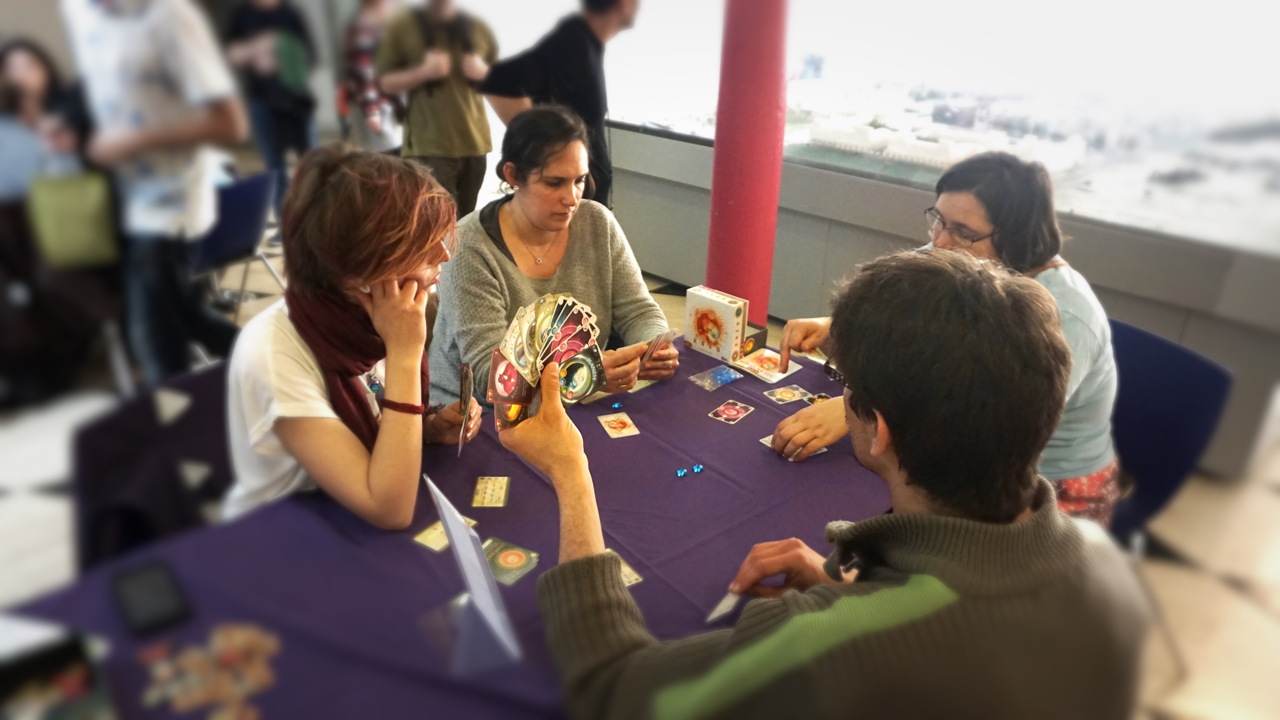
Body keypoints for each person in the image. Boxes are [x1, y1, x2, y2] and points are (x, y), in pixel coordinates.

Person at [501, 250, 1151, 719]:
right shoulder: (1108, 562)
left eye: (845, 387)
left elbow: (613, 689)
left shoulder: (829, 642)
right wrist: (853, 592)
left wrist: (571, 472)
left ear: (880, 429)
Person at [772, 152, 1121, 526]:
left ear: (1016, 235)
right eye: (938, 219)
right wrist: (835, 326)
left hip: (1039, 481)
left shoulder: (1067, 315)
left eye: (963, 232)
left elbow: (989, 423)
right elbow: (905, 319)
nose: (939, 241)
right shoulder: (955, 255)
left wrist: (856, 410)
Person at [223, 145, 482, 527]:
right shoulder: (273, 354)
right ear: (361, 270)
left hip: (343, 514)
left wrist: (426, 428)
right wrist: (405, 353)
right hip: (281, 532)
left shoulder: (366, 315)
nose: (443, 256)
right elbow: (389, 509)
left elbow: (374, 406)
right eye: (420, 248)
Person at [428, 105, 674, 407]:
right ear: (513, 175)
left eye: (579, 180)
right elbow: (491, 380)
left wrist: (654, 348)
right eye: (554, 183)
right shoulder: (468, 246)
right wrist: (585, 377)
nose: (572, 198)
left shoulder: (596, 221)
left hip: (570, 404)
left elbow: (638, 311)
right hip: (477, 416)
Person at [62, 0, 248, 386]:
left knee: (154, 344)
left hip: (169, 204)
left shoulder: (169, 16)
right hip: (119, 203)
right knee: (186, 318)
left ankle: (187, 409)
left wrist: (133, 140)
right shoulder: (77, 11)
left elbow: (232, 125)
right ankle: (267, 362)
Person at [481, 0, 640, 207]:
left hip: (583, 193)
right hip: (566, 197)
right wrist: (541, 147)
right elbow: (499, 82)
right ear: (624, 3)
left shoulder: (588, 41)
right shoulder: (570, 39)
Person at [375, 0, 497, 216]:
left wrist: (484, 72)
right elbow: (385, 82)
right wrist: (423, 72)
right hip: (429, 146)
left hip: (475, 143)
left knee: (465, 221)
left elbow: (503, 79)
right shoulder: (403, 28)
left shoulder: (477, 26)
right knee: (436, 221)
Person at [226, 0, 317, 220]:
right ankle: (287, 225)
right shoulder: (241, 15)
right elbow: (232, 55)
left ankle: (317, 218)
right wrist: (259, 47)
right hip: (261, 100)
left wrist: (279, 51)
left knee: (312, 162)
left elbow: (311, 56)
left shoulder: (291, 13)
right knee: (274, 165)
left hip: (297, 100)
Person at [341, 0, 403, 153]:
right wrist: (371, 109)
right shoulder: (365, 26)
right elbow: (363, 73)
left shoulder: (382, 25)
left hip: (384, 103)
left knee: (389, 152)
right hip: (375, 104)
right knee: (382, 155)